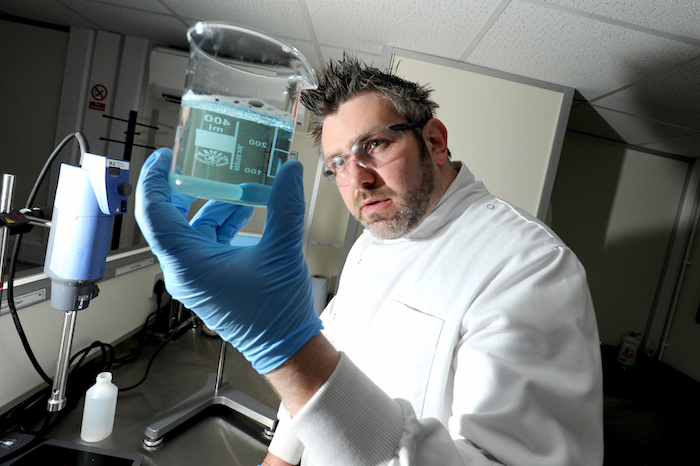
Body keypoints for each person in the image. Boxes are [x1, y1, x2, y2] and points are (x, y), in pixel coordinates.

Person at [135, 56, 603, 465]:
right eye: (337, 162)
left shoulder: (530, 266)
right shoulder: (374, 239)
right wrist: (279, 457)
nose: (357, 179)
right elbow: (335, 353)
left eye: (374, 145)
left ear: (435, 142)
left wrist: (284, 346)